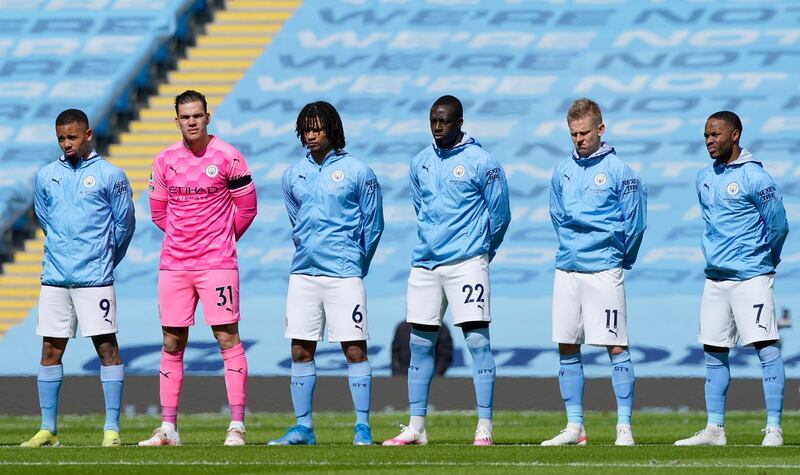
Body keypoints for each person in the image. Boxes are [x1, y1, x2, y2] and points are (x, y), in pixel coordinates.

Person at [383, 95, 511, 447]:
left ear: (459, 122)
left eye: (444, 122)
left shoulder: (482, 162)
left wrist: (482, 251)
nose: (437, 127)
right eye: (433, 121)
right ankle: (416, 426)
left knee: (477, 341)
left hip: (467, 262)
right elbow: (420, 208)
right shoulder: (420, 162)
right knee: (419, 343)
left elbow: (500, 215)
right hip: (425, 263)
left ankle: (484, 426)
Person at [138, 90, 258, 447]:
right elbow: (158, 213)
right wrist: (185, 238)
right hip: (174, 265)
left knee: (226, 337)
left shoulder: (229, 157)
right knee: (172, 341)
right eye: (185, 116)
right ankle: (168, 429)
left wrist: (220, 239)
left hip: (217, 264)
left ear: (207, 117)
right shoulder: (164, 161)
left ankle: (236, 425)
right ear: (176, 121)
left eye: (197, 115)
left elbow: (247, 209)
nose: (191, 121)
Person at [268, 101, 384, 446]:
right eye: (306, 128)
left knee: (354, 349)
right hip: (303, 273)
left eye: (317, 128)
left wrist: (355, 264)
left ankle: (362, 427)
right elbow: (296, 221)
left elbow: (373, 224)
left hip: (344, 274)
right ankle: (303, 428)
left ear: (333, 130)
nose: (311, 135)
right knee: (301, 350)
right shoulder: (292, 175)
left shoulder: (358, 171)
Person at [22, 109, 135, 447]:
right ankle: (47, 430)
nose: (66, 143)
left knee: (106, 348)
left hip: (95, 278)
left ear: (88, 135)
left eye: (72, 137)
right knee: (49, 351)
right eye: (61, 138)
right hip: (55, 277)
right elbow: (45, 220)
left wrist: (104, 260)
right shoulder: (46, 176)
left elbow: (124, 226)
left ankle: (111, 429)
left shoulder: (110, 175)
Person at [675, 111, 788, 447]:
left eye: (716, 135)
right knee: (714, 351)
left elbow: (778, 225)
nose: (710, 141)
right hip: (715, 278)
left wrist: (767, 260)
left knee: (766, 347)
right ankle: (715, 429)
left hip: (751, 276)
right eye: (706, 136)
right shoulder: (704, 178)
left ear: (735, 135)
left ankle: (774, 429)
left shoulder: (756, 177)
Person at [542, 98, 647, 447]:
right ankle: (575, 427)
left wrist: (618, 257)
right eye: (573, 134)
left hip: (604, 269)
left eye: (584, 132)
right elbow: (557, 215)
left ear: (600, 129)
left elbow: (636, 222)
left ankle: (624, 427)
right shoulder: (562, 170)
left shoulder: (620, 171)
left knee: (616, 345)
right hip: (568, 269)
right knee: (567, 345)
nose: (579, 139)